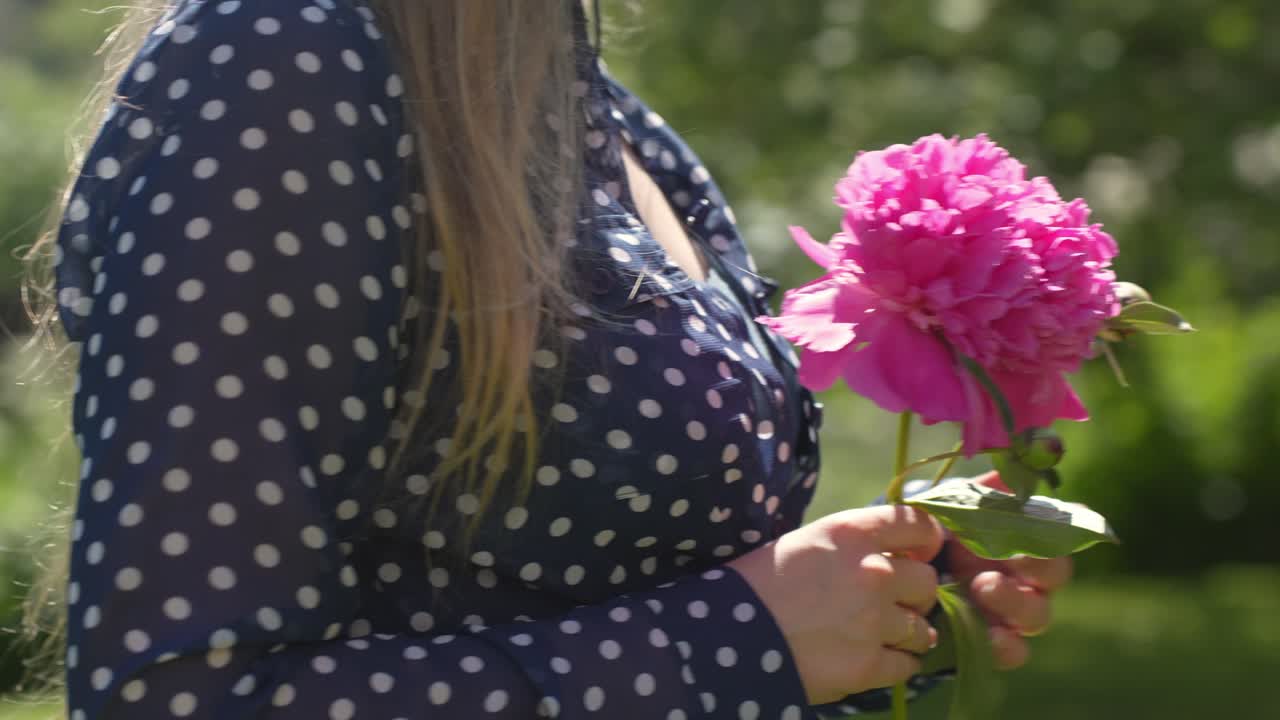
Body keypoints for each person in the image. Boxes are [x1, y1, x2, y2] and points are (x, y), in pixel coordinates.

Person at [38, 0, 1072, 717]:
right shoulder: (282, 59)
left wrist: (885, 601)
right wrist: (737, 641)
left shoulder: (601, 117)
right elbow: (174, 698)